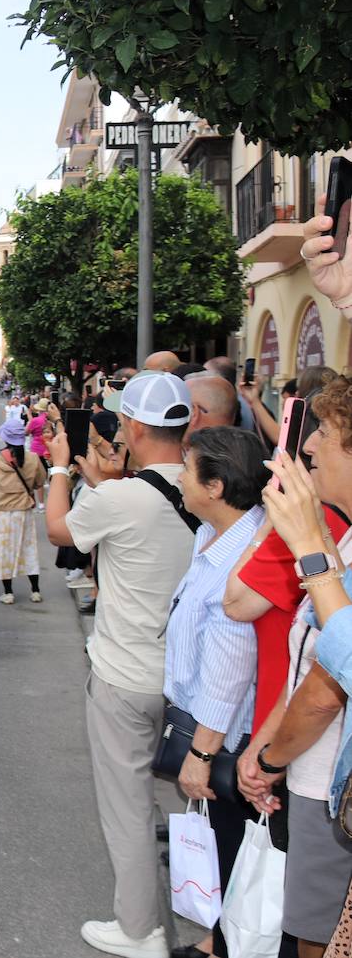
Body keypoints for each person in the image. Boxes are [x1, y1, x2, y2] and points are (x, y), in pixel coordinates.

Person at [44, 372, 197, 958]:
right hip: (194, 679)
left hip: (127, 673)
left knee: (128, 804)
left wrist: (61, 468)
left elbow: (62, 530)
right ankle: (210, 917)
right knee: (197, 803)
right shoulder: (219, 484)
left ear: (131, 426)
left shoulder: (120, 496)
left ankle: (139, 929)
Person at [238, 378, 352, 958]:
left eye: (325, 434)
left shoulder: (329, 539)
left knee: (316, 937)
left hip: (327, 781)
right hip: (318, 774)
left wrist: (269, 757)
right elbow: (310, 658)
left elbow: (335, 678)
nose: (309, 448)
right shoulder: (346, 537)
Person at [160, 427, 269, 958]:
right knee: (230, 843)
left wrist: (201, 755)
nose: (180, 477)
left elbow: (229, 672)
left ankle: (224, 946)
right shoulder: (214, 534)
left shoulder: (239, 561)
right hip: (213, 724)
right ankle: (218, 938)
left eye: (188, 469)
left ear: (217, 486)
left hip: (226, 736)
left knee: (232, 841)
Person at [0, 418, 46, 604]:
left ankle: (8, 592)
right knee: (28, 549)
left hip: (1, 512)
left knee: (3, 550)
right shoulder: (33, 458)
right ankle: (35, 590)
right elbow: (40, 481)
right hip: (24, 510)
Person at [26, 399, 51, 511]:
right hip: (51, 449)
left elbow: (26, 432)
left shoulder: (35, 420)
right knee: (51, 476)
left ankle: (41, 504)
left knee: (38, 478)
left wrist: (30, 420)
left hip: (37, 450)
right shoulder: (51, 420)